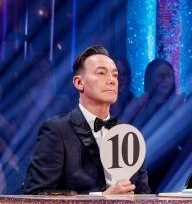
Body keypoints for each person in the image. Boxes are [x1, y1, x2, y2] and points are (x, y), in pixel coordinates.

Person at [23, 45, 150, 194]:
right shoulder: (57, 131)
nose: (112, 80)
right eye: (101, 73)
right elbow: (34, 196)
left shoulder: (128, 134)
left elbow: (144, 195)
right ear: (79, 82)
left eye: (115, 75)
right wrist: (101, 199)